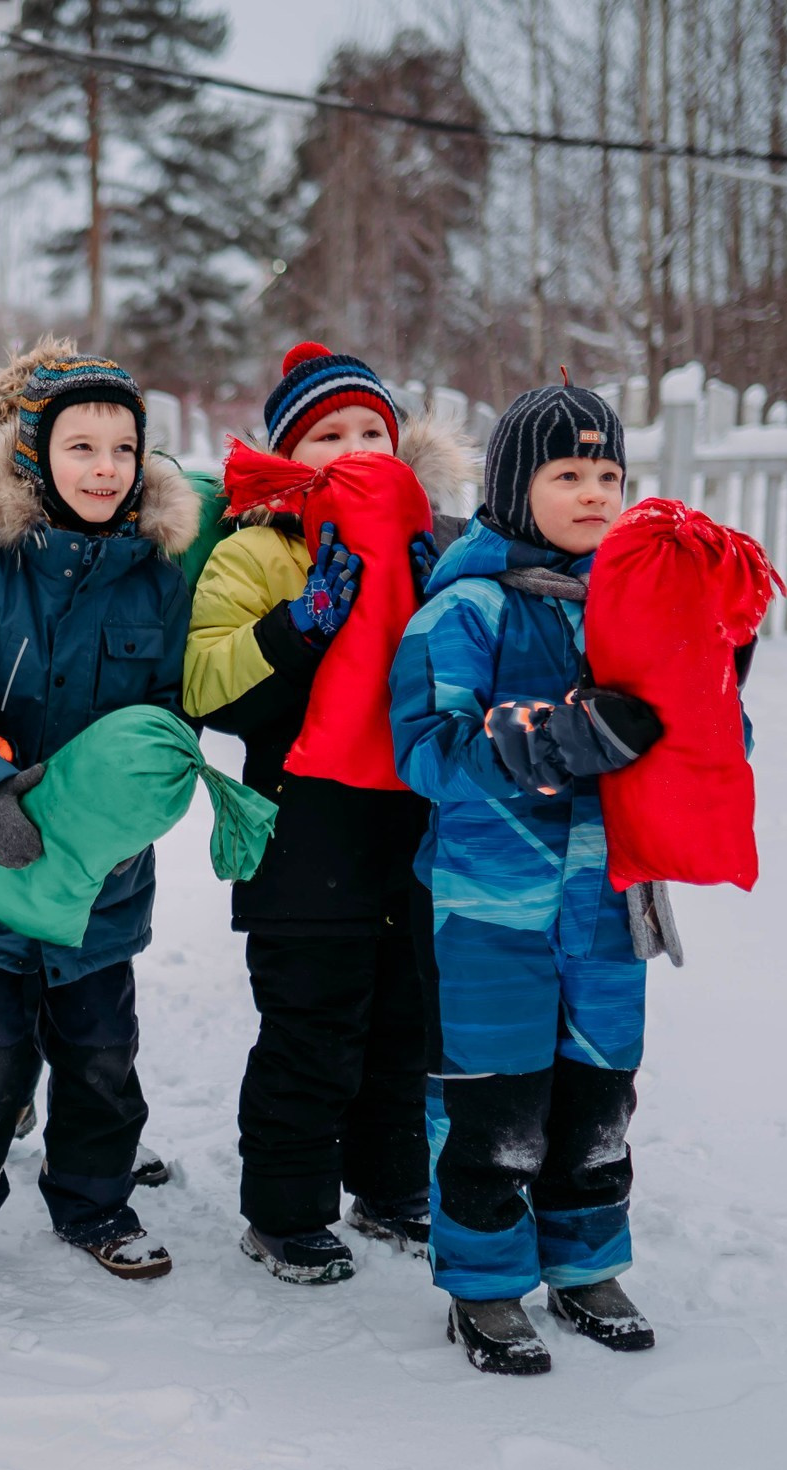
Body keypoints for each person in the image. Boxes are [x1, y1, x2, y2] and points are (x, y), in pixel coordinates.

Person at [0, 337, 199, 1289]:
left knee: (103, 1053)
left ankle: (96, 1200)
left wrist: (136, 806)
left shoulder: (155, 574)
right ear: (34, 456)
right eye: (81, 447)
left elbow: (168, 711)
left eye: (122, 449)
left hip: (97, 874)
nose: (105, 469)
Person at [388, 381, 671, 1375]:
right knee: (493, 1102)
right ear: (516, 485)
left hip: (608, 901)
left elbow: (696, 744)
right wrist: (554, 738)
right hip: (488, 908)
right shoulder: (465, 609)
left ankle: (586, 1264)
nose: (594, 492)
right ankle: (486, 1286)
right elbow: (425, 749)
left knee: (598, 1098)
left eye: (608, 474)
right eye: (567, 473)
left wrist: (713, 687)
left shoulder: (635, 606)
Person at [182, 343, 475, 1286]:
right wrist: (299, 622)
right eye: (328, 435)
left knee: (404, 1018)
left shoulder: (432, 546)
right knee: (312, 1027)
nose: (354, 450)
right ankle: (285, 1210)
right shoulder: (257, 549)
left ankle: (390, 1185)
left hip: (412, 825)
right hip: (302, 831)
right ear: (289, 453)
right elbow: (207, 686)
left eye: (371, 433)